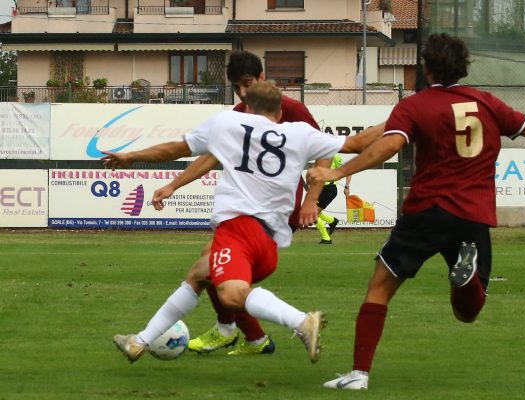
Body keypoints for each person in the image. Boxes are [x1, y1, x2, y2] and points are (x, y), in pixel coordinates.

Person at [307, 33, 525, 390]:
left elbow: (390, 145)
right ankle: (466, 277)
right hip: (473, 215)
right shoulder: (487, 102)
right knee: (467, 312)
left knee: (380, 286)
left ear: (424, 68)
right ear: (462, 69)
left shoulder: (415, 105)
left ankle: (359, 375)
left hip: (427, 210)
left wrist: (336, 171)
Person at [103, 81, 385, 366]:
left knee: (231, 295)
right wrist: (400, 118)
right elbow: (358, 143)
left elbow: (176, 149)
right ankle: (140, 341)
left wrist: (131, 155)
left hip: (238, 229)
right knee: (199, 273)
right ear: (279, 112)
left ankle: (301, 322)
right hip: (269, 242)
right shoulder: (299, 133)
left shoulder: (228, 123)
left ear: (248, 107)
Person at [152, 51, 332, 356]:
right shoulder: (239, 113)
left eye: (246, 84)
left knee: (213, 268)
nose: (242, 93)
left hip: (275, 209)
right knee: (210, 264)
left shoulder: (290, 108)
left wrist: (311, 200)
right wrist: (173, 185)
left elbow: (323, 151)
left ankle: (238, 331)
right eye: (236, 87)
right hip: (250, 208)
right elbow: (211, 157)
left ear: (262, 78)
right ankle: (252, 338)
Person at [314, 154, 351, 244]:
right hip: (319, 188)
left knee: (312, 214)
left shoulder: (335, 157)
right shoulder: (318, 156)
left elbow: (348, 171)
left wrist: (346, 187)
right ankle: (332, 221)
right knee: (312, 212)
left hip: (328, 189)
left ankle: (326, 238)